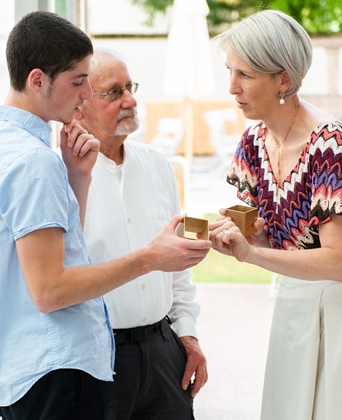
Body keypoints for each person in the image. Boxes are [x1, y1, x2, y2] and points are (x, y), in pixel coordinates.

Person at [0, 12, 211, 420]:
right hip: (57, 371)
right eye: (80, 82)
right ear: (38, 80)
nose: (83, 94)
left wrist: (77, 179)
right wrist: (150, 258)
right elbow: (50, 290)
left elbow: (54, 254)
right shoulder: (33, 161)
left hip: (27, 367)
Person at [208, 9, 342, 420]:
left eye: (245, 75)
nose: (231, 87)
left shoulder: (332, 146)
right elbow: (279, 240)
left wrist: (251, 255)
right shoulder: (253, 142)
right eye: (229, 71)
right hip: (296, 296)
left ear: (283, 80)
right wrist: (249, 237)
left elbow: (338, 262)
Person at [74, 47, 207, 420]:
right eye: (114, 92)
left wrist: (188, 335)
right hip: (97, 359)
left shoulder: (158, 165)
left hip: (165, 351)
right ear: (80, 105)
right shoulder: (62, 176)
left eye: (130, 87)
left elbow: (178, 268)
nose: (131, 100)